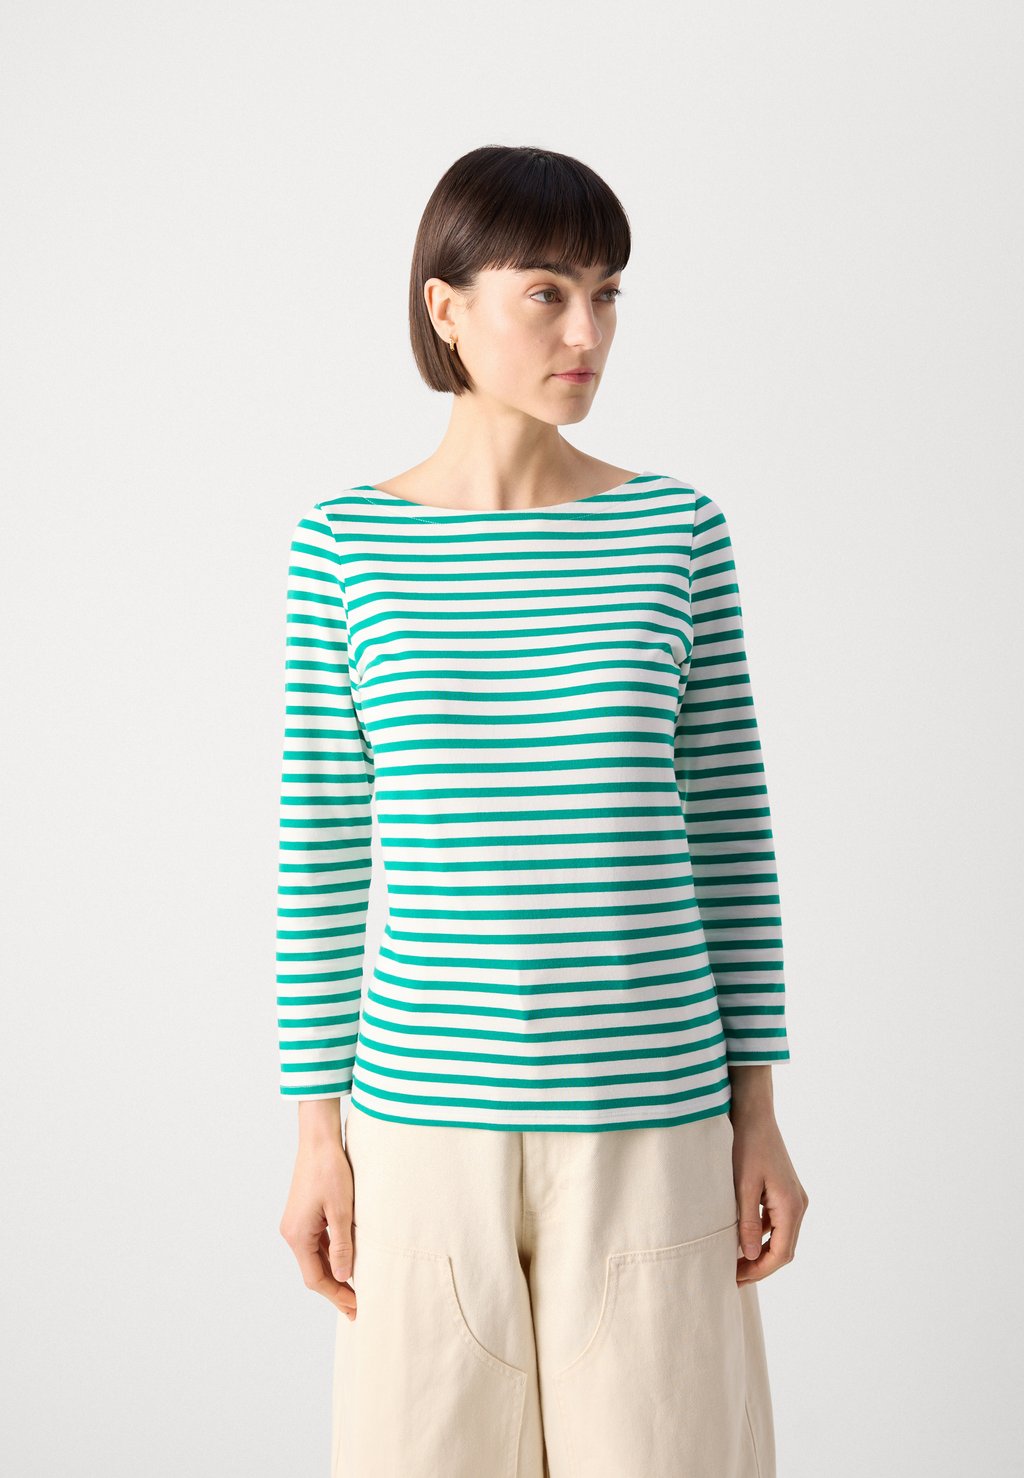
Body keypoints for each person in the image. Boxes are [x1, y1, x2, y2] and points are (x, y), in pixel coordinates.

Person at [276, 144, 808, 1478]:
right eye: (549, 293)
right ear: (446, 307)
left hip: (652, 1116)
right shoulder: (345, 544)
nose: (590, 333)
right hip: (422, 1121)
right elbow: (323, 850)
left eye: (608, 294)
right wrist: (315, 1135)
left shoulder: (675, 533)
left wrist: (758, 1112)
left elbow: (730, 835)